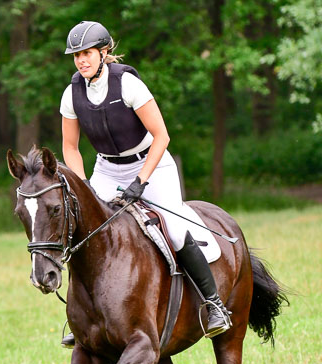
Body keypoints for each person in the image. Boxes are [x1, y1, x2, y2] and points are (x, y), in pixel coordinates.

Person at [60, 20, 231, 346]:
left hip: (150, 163)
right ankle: (81, 316)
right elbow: (70, 147)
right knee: (83, 229)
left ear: (103, 52)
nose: (81, 61)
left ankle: (214, 304)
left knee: (176, 230)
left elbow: (161, 136)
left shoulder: (127, 84)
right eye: (76, 56)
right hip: (107, 170)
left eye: (87, 54)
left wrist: (141, 181)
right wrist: (84, 185)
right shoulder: (72, 94)